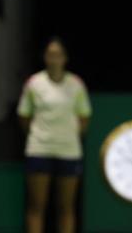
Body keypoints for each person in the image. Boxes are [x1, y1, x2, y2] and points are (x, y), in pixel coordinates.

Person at [17, 37, 91, 233]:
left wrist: (68, 136)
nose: (53, 59)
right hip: (39, 149)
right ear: (44, 57)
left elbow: (84, 118)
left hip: (68, 151)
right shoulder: (34, 83)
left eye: (57, 55)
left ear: (65, 58)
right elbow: (24, 116)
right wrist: (40, 135)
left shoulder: (76, 85)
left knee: (66, 209)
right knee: (36, 207)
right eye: (50, 54)